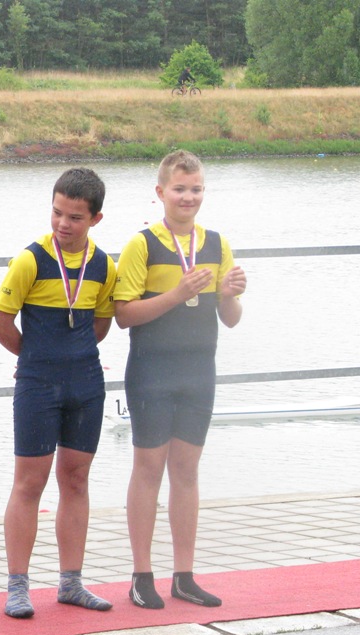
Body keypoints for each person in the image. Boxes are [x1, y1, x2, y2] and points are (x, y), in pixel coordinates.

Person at [115, 150, 246, 610]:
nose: (188, 197)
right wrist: (178, 293)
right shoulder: (142, 245)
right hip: (151, 371)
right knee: (149, 468)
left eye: (196, 189)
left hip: (198, 371)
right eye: (179, 189)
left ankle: (184, 576)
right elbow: (124, 315)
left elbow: (231, 319)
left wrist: (228, 295)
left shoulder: (216, 244)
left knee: (187, 471)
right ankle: (141, 575)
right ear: (160, 193)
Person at [0, 168, 117, 619]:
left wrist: (70, 356)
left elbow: (100, 325)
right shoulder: (31, 260)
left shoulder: (104, 266)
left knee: (76, 480)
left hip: (87, 383)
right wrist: (37, 357)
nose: (63, 224)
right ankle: (18, 586)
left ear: (96, 219)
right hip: (38, 383)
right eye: (57, 212)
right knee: (30, 483)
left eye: (75, 217)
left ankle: (71, 583)